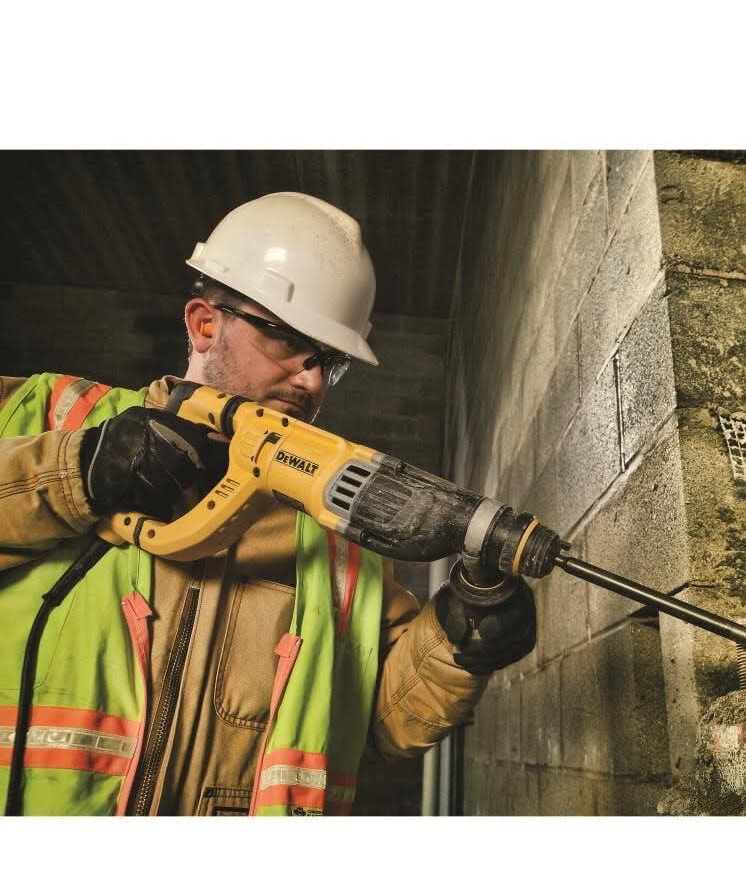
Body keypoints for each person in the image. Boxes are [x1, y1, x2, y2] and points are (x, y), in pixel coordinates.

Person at [0, 191, 536, 816]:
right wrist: (73, 472)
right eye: (289, 343)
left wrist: (456, 639)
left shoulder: (333, 528)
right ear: (205, 324)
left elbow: (384, 721)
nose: (312, 381)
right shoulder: (47, 413)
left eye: (329, 362)